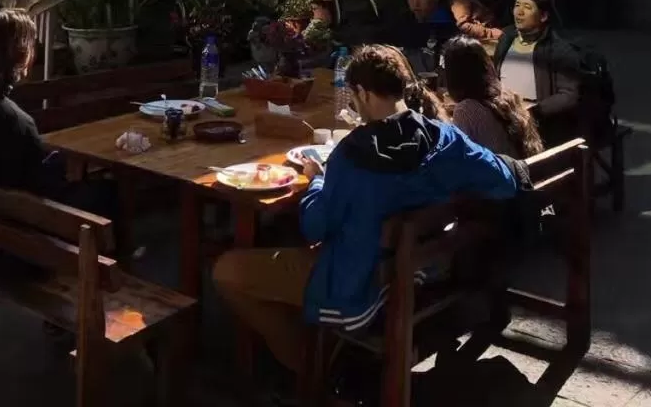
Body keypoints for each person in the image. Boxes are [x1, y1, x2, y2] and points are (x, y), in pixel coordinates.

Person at [212, 44, 517, 378]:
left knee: (227, 270)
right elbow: (504, 181)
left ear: (363, 93)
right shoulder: (447, 137)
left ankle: (312, 366)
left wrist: (318, 181)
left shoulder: (353, 156)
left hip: (358, 288)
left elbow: (314, 226)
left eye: (354, 97)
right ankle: (327, 352)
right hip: (425, 270)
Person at [0, 8, 117, 223]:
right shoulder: (16, 122)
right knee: (108, 192)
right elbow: (44, 188)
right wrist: (60, 162)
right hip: (18, 238)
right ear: (20, 55)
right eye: (32, 46)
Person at [493, 0, 583, 148]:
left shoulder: (559, 50)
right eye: (517, 5)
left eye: (527, 7)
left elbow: (569, 95)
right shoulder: (506, 39)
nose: (519, 12)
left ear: (543, 16)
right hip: (505, 117)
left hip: (542, 127)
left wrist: (534, 111)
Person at [441, 35, 543, 158]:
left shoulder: (465, 110)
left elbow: (459, 157)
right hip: (522, 171)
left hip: (499, 176)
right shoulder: (506, 95)